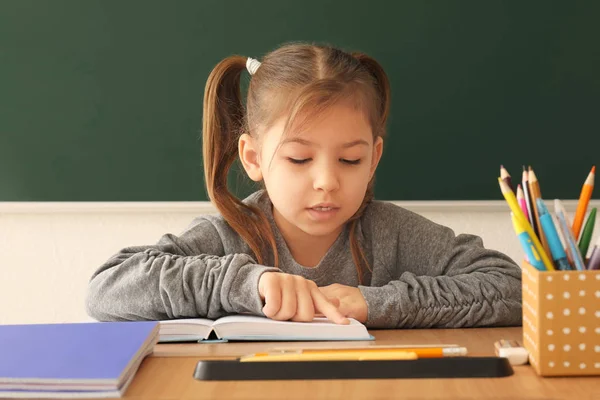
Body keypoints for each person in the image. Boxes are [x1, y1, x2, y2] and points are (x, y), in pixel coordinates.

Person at [86, 42, 522, 328]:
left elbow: (512, 288)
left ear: (374, 159)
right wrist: (245, 283)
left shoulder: (395, 233)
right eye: (299, 158)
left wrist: (376, 303)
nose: (327, 182)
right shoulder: (228, 236)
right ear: (254, 158)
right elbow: (106, 290)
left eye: (351, 159)